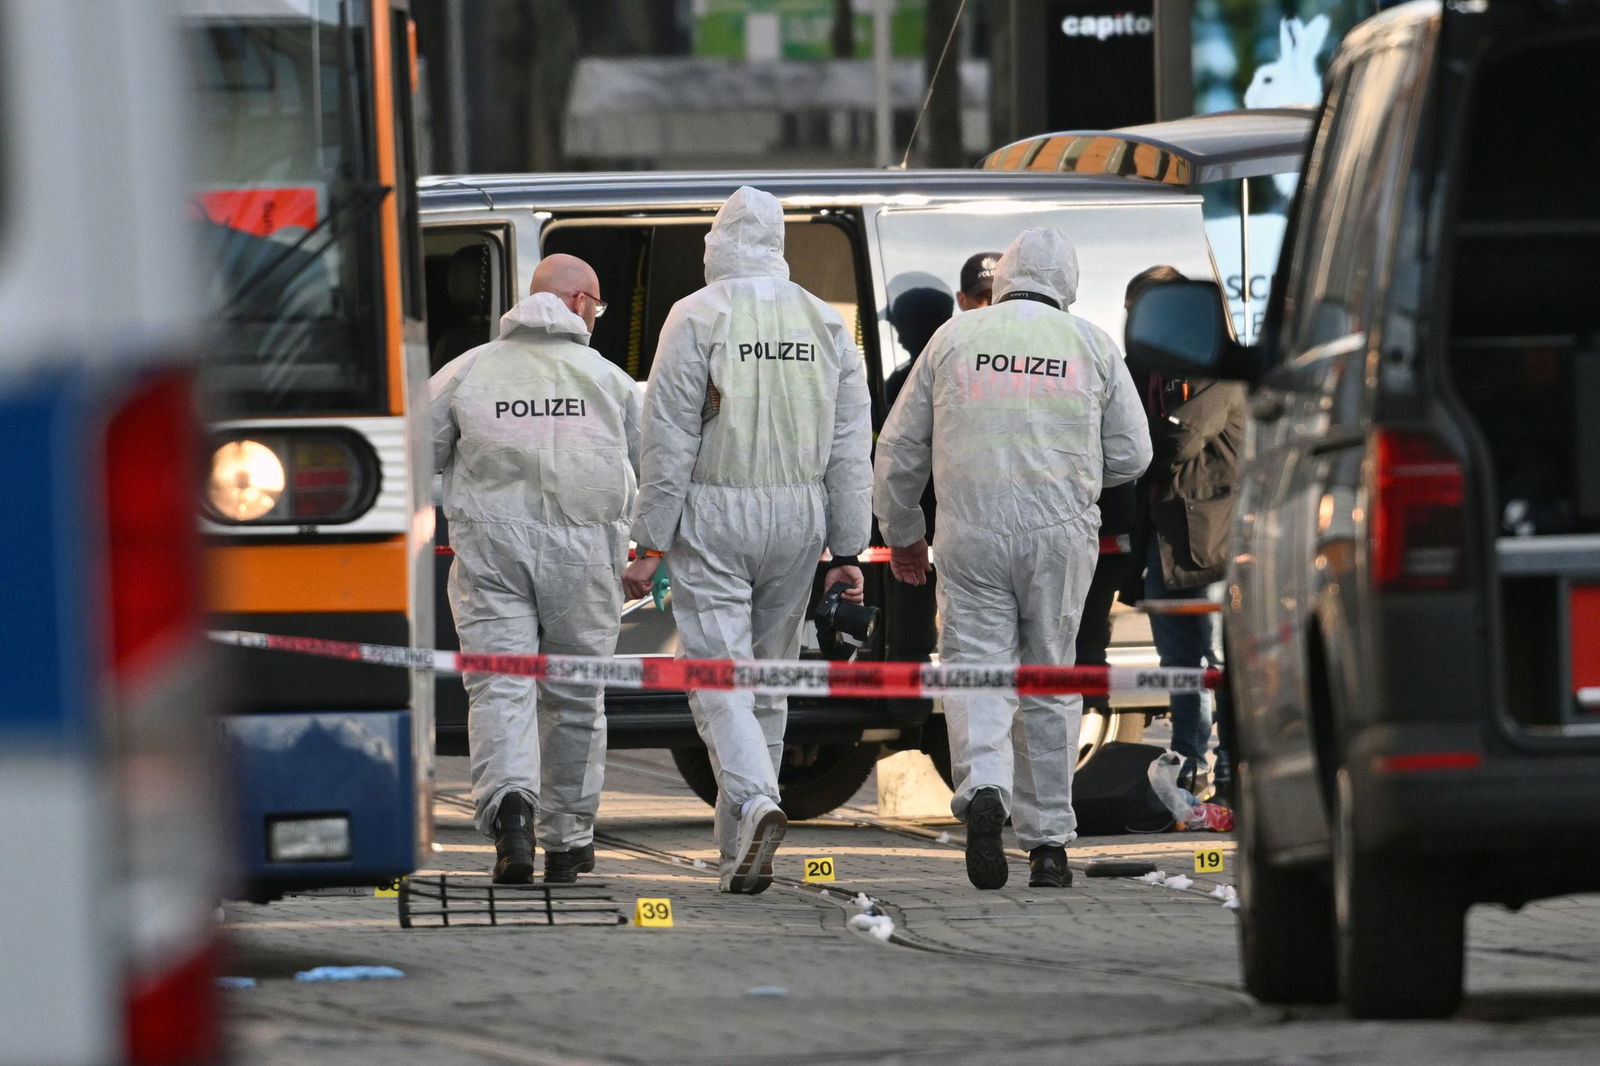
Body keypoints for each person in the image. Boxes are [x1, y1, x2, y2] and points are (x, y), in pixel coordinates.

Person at [875, 228, 1151, 889]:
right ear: (1068, 281)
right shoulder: (1091, 344)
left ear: (1004, 280)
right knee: (1050, 680)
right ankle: (1049, 841)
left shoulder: (955, 338)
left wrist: (905, 531)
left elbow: (900, 449)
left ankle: (985, 789)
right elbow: (1134, 454)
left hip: (970, 530)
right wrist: (1077, 474)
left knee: (976, 670)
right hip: (1059, 534)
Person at [621, 186, 872, 894]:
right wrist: (849, 551)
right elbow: (852, 446)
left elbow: (667, 437)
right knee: (768, 679)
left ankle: (758, 800)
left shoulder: (698, 315)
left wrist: (649, 543)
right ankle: (739, 850)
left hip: (714, 510)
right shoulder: (825, 322)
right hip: (800, 518)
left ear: (717, 243)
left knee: (716, 674)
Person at [430, 253, 641, 884]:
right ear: (578, 302)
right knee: (576, 695)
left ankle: (512, 819)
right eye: (597, 304)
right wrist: (654, 546)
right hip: (586, 554)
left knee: (500, 685)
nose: (597, 316)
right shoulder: (607, 379)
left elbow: (417, 454)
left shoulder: (467, 372)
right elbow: (660, 460)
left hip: (492, 552)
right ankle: (569, 841)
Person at [1121, 265, 1246, 801]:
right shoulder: (1144, 371)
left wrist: (1124, 450)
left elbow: (1177, 441)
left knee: (1218, 667)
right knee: (1177, 670)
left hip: (1214, 546)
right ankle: (1187, 770)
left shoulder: (1220, 368)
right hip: (1164, 545)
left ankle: (1231, 772)